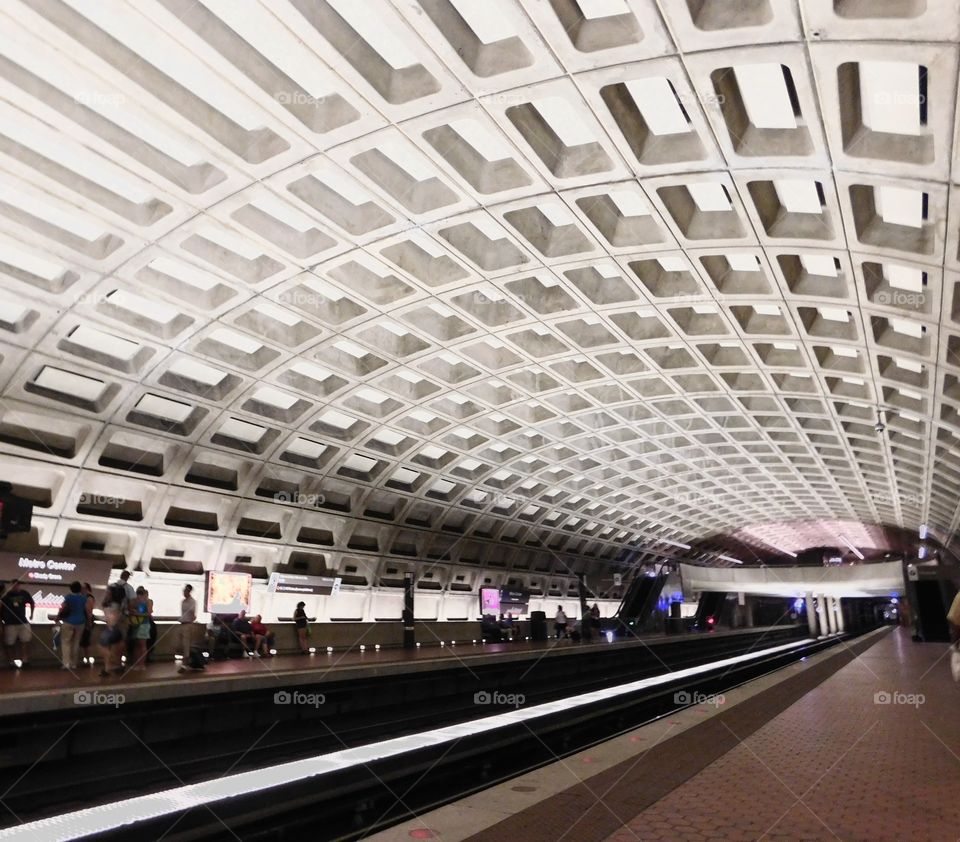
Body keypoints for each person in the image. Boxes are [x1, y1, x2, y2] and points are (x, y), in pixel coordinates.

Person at [1, 580, 35, 667]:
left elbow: (32, 603)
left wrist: (31, 614)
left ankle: (24, 660)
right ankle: (11, 661)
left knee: (25, 641)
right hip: (10, 623)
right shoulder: (6, 595)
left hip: (22, 621)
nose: (15, 587)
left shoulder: (24, 593)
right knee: (9, 643)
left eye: (17, 585)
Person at [58, 581, 90, 670]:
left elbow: (62, 608)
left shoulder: (68, 597)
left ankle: (66, 663)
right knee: (76, 643)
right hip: (80, 622)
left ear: (71, 589)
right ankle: (74, 663)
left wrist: (57, 618)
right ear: (80, 589)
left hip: (68, 621)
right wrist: (89, 622)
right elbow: (87, 611)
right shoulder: (83, 598)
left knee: (65, 642)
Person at [127, 587, 151, 671]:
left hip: (144, 624)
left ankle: (142, 664)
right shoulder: (135, 601)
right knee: (137, 644)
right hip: (136, 624)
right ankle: (137, 663)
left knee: (142, 644)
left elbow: (148, 613)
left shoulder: (147, 602)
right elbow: (130, 610)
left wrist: (138, 613)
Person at [178, 584, 197, 659]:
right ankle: (184, 658)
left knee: (186, 644)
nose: (184, 592)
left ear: (189, 591)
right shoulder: (183, 601)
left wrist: (191, 622)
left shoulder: (192, 601)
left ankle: (186, 660)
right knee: (181, 643)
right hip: (182, 624)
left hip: (188, 624)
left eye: (185, 591)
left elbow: (193, 614)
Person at [79, 583, 96, 666]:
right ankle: (86, 659)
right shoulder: (87, 598)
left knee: (85, 642)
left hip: (86, 622)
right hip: (85, 621)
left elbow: (89, 611)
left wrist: (89, 623)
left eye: (82, 588)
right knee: (84, 641)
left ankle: (87, 659)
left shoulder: (88, 598)